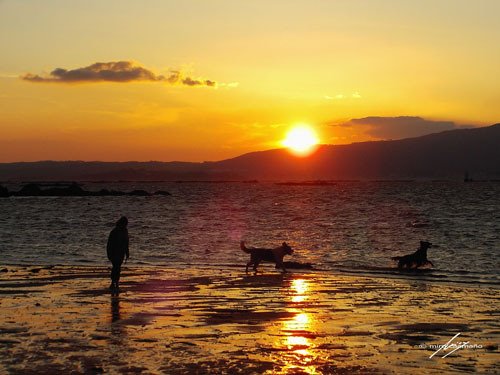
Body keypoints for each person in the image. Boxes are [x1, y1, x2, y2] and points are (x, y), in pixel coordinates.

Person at [107, 216, 129, 291]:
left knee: (117, 267)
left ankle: (116, 282)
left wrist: (127, 252)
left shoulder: (125, 231)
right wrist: (109, 254)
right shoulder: (114, 231)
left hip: (121, 253)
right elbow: (109, 244)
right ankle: (114, 282)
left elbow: (126, 243)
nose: (125, 225)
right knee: (116, 267)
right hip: (114, 252)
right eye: (125, 224)